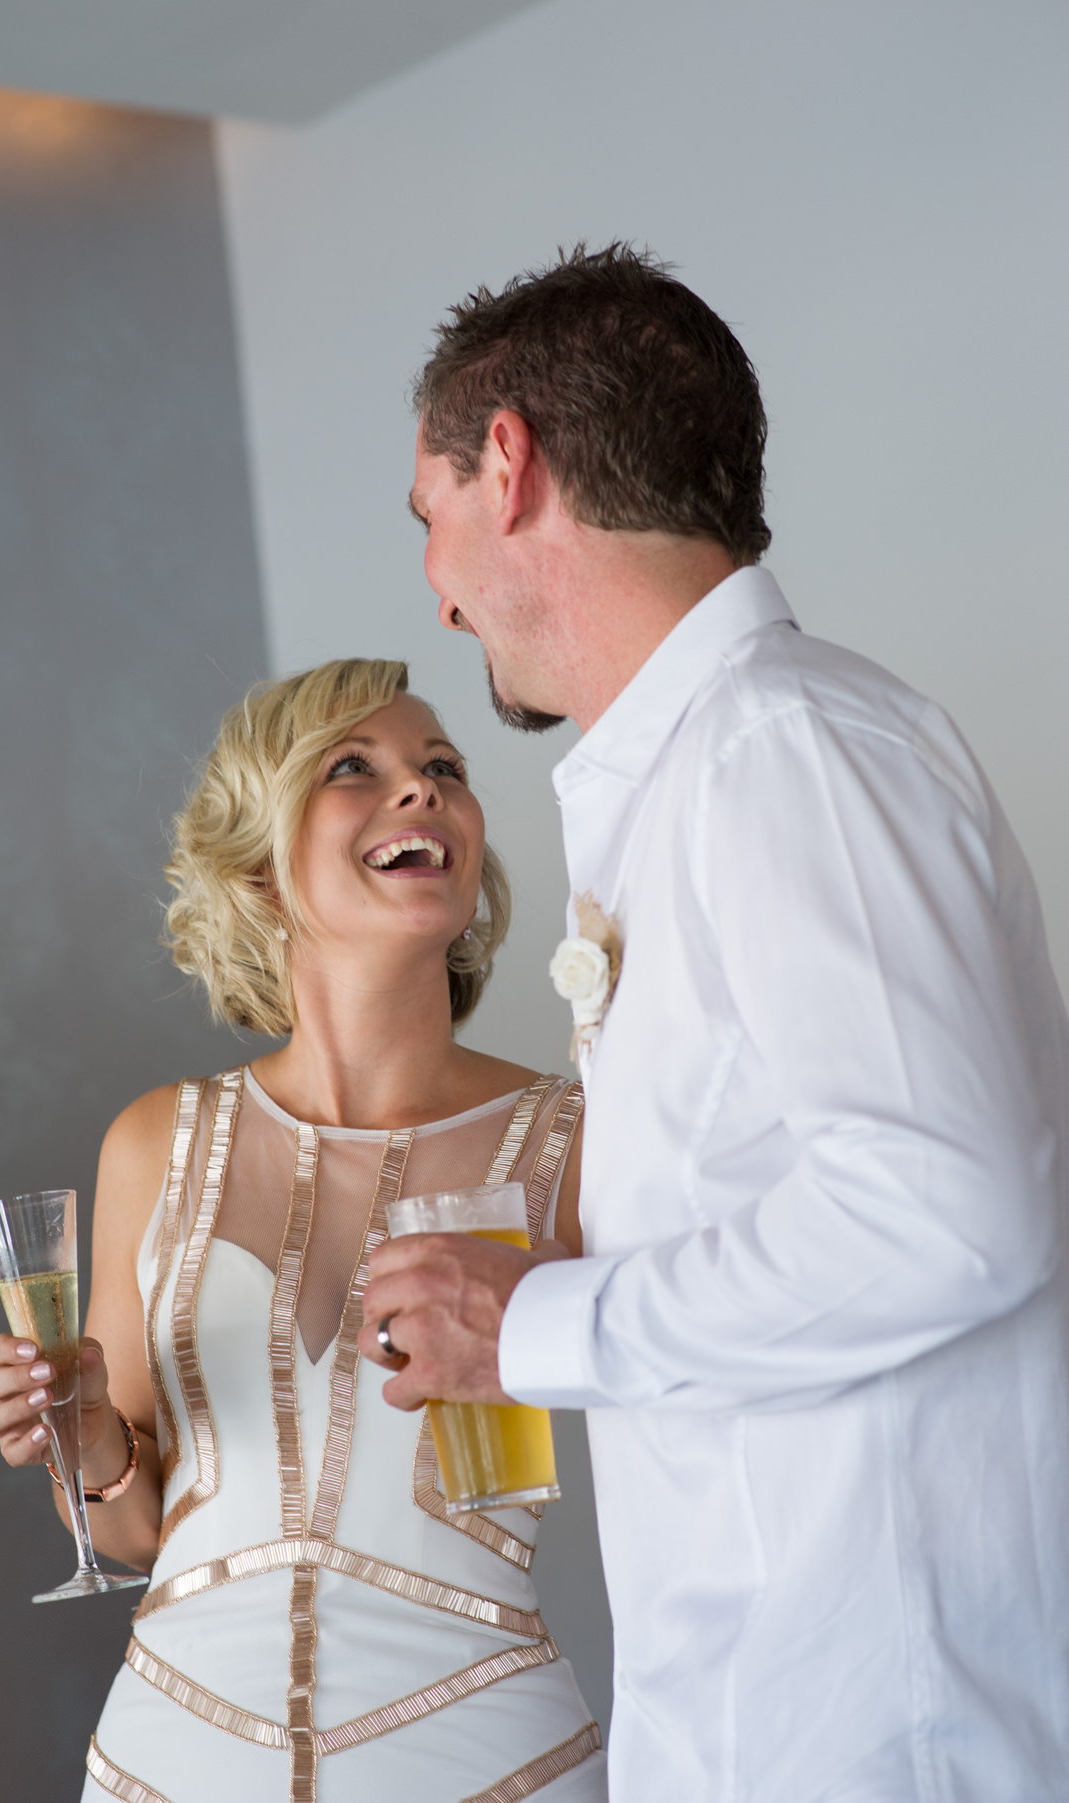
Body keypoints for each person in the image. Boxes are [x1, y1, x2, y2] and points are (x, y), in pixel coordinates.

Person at [360, 245, 1069, 1800]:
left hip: (878, 1732)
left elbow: (954, 1214)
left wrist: (529, 1327)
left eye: (431, 520)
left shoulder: (785, 751)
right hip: (767, 1718)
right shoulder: (709, 772)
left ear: (508, 460)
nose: (439, 583)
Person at [0, 658, 607, 1803]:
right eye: (354, 769)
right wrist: (81, 1429)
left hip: (486, 1766)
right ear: (260, 870)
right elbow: (135, 1532)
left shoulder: (577, 1139)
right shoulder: (152, 1143)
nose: (421, 791)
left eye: (444, 769)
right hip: (168, 1766)